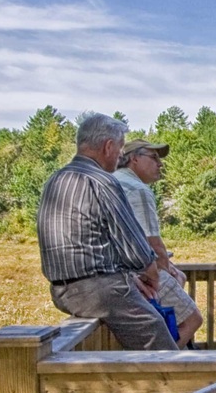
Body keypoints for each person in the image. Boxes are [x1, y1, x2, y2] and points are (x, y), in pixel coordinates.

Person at [37, 113, 177, 351]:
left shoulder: (56, 179)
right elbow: (137, 250)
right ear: (108, 146)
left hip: (61, 290)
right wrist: (151, 277)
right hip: (98, 292)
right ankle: (175, 387)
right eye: (121, 148)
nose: (121, 155)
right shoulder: (102, 181)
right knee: (159, 341)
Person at [113, 137, 204, 346]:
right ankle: (164, 364)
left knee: (175, 289)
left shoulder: (112, 182)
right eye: (154, 157)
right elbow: (151, 241)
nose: (160, 164)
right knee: (192, 319)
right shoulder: (138, 189)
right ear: (133, 159)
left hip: (117, 277)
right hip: (142, 275)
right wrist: (165, 268)